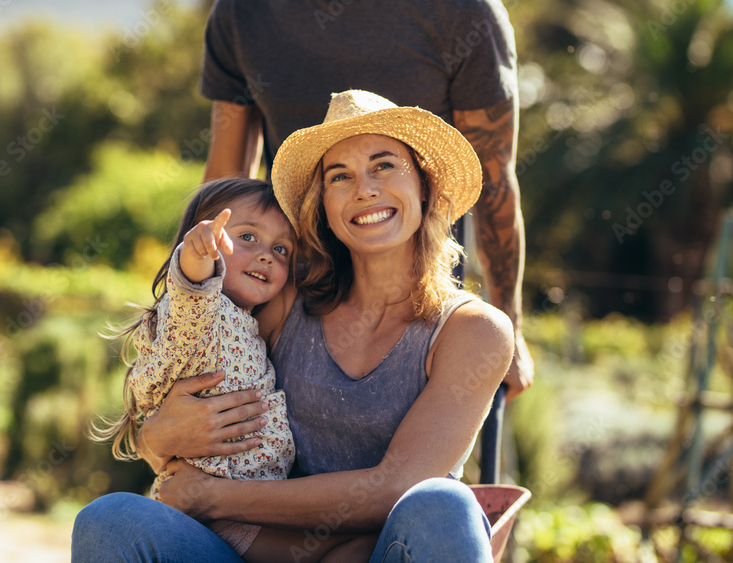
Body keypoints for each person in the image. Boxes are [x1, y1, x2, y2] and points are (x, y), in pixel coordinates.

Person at [72, 90, 512, 562]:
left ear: (423, 186)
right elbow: (189, 358)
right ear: (322, 204)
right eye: (339, 176)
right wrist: (155, 436)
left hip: (382, 553)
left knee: (442, 503)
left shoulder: (471, 330)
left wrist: (213, 497)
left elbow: (396, 487)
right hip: (265, 553)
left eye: (384, 165)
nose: (365, 189)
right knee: (108, 519)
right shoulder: (286, 303)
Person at [199, 0, 533, 402]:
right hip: (295, 298)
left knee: (429, 452)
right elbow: (225, 180)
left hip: (419, 306)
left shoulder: (463, 11)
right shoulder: (243, 13)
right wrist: (192, 303)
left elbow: (494, 180)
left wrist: (509, 324)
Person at [92, 178, 374, 562]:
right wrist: (198, 254)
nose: (266, 256)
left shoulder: (245, 319)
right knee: (357, 546)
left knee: (356, 547)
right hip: (219, 508)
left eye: (280, 249)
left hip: (244, 498)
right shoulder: (204, 315)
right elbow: (191, 295)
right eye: (246, 237)